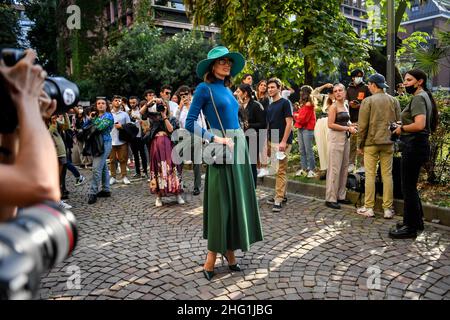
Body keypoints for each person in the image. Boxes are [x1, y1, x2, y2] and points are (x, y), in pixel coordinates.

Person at [185, 46, 263, 281]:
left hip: (238, 144)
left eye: (228, 62)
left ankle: (230, 254)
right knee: (221, 201)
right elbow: (190, 123)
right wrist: (214, 137)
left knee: (236, 199)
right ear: (212, 66)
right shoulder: (203, 88)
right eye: (221, 62)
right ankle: (211, 257)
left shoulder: (228, 90)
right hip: (221, 147)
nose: (226, 65)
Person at [0, 49, 60, 222]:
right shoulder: (25, 96)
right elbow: (42, 188)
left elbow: (4, 215)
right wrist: (26, 98)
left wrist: (15, 125)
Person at [389, 69, 439, 239]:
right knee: (410, 186)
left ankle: (410, 228)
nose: (406, 83)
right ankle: (415, 222)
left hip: (414, 146)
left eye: (409, 80)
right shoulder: (424, 96)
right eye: (405, 80)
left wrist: (400, 128)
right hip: (418, 145)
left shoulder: (418, 97)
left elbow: (419, 125)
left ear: (420, 81)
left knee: (407, 187)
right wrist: (401, 124)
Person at [356, 73, 401, 218]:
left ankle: (369, 207)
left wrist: (359, 144)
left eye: (369, 84)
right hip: (388, 142)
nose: (368, 87)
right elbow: (398, 123)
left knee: (370, 174)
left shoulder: (368, 101)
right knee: (387, 175)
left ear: (374, 85)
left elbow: (362, 126)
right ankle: (388, 209)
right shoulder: (394, 101)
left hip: (371, 142)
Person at [141, 95, 184, 207]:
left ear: (167, 107)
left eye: (164, 105)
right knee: (157, 168)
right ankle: (158, 196)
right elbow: (141, 112)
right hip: (156, 145)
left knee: (172, 167)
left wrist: (164, 116)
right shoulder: (153, 117)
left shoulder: (172, 118)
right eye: (160, 105)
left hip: (169, 144)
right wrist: (151, 101)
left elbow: (171, 130)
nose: (162, 107)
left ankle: (177, 194)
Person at [325, 83, 357, 210]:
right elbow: (330, 124)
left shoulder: (345, 104)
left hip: (345, 137)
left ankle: (341, 196)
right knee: (334, 168)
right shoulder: (333, 107)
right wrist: (347, 128)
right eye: (335, 91)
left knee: (344, 168)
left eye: (340, 90)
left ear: (344, 92)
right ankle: (330, 198)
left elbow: (346, 120)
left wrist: (353, 125)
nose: (338, 93)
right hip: (335, 138)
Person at [266, 77, 294, 212]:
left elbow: (289, 123)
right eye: (269, 87)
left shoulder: (285, 103)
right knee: (276, 169)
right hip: (273, 140)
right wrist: (267, 143)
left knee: (280, 170)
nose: (270, 89)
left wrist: (283, 141)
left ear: (279, 88)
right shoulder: (270, 106)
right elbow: (269, 125)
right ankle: (282, 194)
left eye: (273, 87)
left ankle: (278, 199)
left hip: (283, 141)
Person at [175, 85, 207, 196]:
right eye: (182, 95)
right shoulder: (179, 108)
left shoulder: (196, 105)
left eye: (186, 94)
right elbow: (175, 121)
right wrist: (180, 107)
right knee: (178, 159)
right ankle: (179, 183)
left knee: (197, 162)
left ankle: (197, 186)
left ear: (190, 94)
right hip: (184, 136)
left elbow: (202, 121)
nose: (185, 97)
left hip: (197, 135)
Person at [235, 83, 266, 186]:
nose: (236, 93)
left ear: (245, 93)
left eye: (239, 91)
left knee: (252, 164)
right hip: (240, 138)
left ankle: (252, 187)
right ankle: (243, 186)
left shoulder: (256, 105)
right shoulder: (238, 105)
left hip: (253, 138)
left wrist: (249, 125)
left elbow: (263, 124)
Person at [85, 97, 114, 204]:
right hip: (95, 143)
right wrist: (89, 118)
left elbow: (100, 127)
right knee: (103, 167)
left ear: (106, 106)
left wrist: (93, 119)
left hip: (105, 143)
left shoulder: (108, 116)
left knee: (96, 168)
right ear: (96, 106)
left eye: (103, 103)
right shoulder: (96, 116)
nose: (101, 105)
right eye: (98, 103)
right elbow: (84, 126)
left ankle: (93, 192)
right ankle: (106, 189)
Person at [346, 69, 371, 173]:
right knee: (352, 142)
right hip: (352, 119)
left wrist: (360, 105)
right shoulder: (349, 89)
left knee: (361, 143)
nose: (359, 78)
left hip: (363, 119)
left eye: (361, 76)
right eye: (357, 76)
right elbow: (345, 102)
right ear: (353, 77)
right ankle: (351, 163)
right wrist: (350, 104)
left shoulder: (366, 88)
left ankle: (362, 165)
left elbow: (370, 102)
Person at [311, 83, 334, 179]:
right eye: (330, 92)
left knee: (330, 146)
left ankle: (332, 169)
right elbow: (314, 93)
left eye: (331, 92)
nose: (330, 94)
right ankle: (324, 169)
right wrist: (324, 86)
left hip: (331, 122)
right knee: (321, 146)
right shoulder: (325, 98)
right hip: (322, 122)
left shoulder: (340, 100)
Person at [293, 85, 317, 178]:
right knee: (302, 150)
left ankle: (312, 169)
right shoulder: (304, 104)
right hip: (301, 128)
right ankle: (304, 168)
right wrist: (297, 115)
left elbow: (302, 119)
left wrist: (295, 115)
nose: (300, 93)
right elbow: (300, 116)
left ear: (306, 93)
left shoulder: (308, 105)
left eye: (302, 92)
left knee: (308, 150)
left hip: (307, 129)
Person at [110, 95, 132, 185]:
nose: (117, 102)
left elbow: (129, 126)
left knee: (123, 159)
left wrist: (122, 127)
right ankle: (113, 177)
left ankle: (124, 176)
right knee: (112, 160)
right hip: (110, 139)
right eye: (115, 100)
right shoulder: (108, 114)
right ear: (112, 102)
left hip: (122, 140)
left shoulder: (125, 114)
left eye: (119, 100)